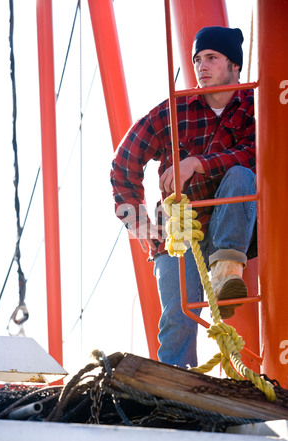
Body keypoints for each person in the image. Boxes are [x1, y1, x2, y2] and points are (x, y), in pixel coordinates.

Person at [110, 26, 256, 369]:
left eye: (211, 58)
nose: (201, 66)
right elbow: (123, 165)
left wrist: (196, 164)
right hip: (179, 233)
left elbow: (256, 153)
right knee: (177, 321)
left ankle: (227, 271)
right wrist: (142, 227)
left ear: (234, 66)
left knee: (240, 175)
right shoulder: (174, 111)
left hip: (231, 228)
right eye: (197, 59)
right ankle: (176, 396)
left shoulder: (254, 108)